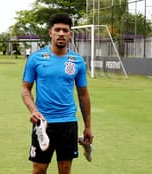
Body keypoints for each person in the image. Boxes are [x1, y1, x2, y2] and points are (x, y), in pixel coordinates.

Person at [21, 13, 93, 174]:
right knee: (39, 169)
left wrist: (88, 126)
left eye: (65, 30)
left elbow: (83, 95)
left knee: (65, 169)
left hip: (68, 122)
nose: (61, 33)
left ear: (70, 34)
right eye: (57, 29)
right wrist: (34, 110)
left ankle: (81, 142)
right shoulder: (35, 58)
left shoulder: (78, 61)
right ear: (50, 32)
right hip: (43, 123)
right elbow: (25, 89)